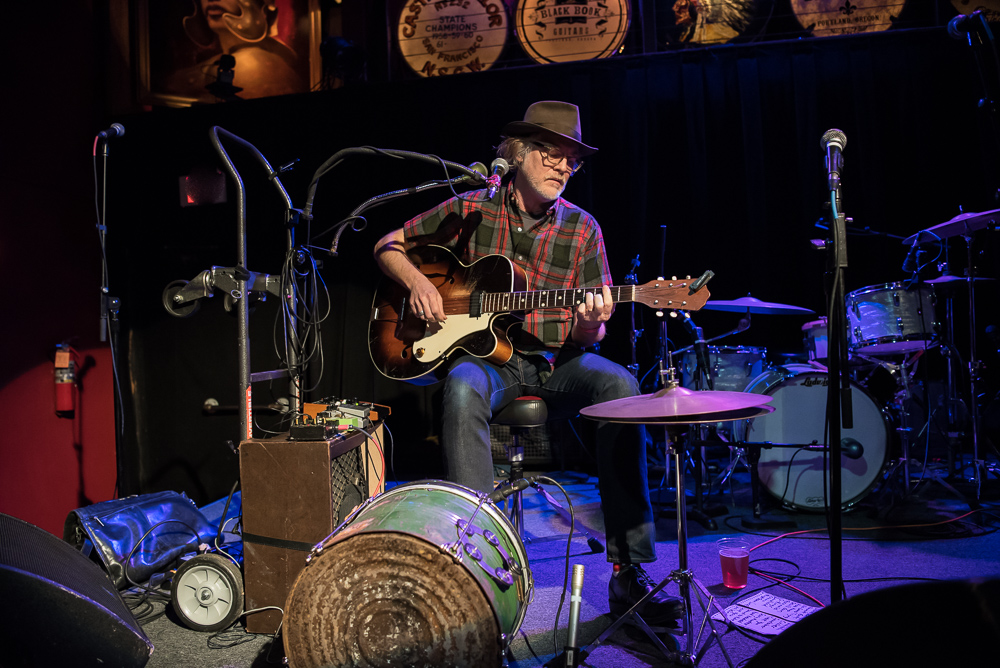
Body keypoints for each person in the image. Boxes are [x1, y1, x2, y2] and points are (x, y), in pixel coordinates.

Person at [373, 101, 683, 626]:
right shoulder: (470, 209)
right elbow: (388, 245)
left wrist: (591, 323)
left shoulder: (584, 229)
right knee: (462, 386)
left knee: (623, 386)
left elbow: (594, 331)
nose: (563, 166)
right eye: (551, 153)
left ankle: (628, 571)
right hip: (489, 364)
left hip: (557, 364)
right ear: (517, 155)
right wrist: (420, 282)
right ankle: (479, 564)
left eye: (572, 160)